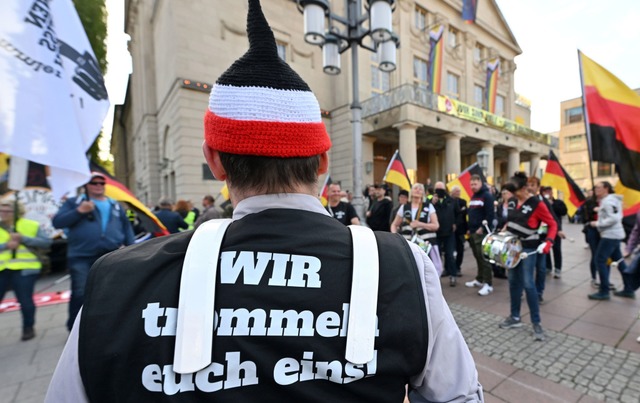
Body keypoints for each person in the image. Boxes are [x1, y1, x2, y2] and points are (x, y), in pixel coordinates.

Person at [45, 2, 483, 401]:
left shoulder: (115, 281)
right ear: (323, 161)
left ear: (214, 161)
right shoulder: (403, 267)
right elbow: (460, 396)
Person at [52, 171, 135, 331]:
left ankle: (106, 324)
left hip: (110, 255)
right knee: (80, 292)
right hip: (81, 256)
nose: (98, 186)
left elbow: (126, 228)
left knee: (110, 291)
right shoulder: (74, 203)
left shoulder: (114, 204)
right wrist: (79, 211)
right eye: (94, 183)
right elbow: (58, 222)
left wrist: (131, 248)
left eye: (101, 183)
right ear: (86, 185)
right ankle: (75, 328)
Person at [498, 173, 557, 342]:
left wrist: (548, 242)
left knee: (528, 284)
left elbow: (552, 224)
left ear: (524, 188)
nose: (512, 195)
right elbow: (510, 221)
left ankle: (536, 323)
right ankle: (515, 317)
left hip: (528, 249)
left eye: (515, 191)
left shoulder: (538, 204)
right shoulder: (512, 201)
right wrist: (505, 228)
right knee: (513, 282)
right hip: (513, 248)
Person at [0, 200, 52, 341]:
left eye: (7, 210)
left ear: (17, 211)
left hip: (26, 268)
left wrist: (24, 238)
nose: (3, 213)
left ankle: (28, 328)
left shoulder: (31, 225)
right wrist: (6, 245)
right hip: (2, 268)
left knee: (25, 300)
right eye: (1, 210)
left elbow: (46, 242)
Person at [588, 182, 633, 300]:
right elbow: (614, 214)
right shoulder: (611, 200)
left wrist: (596, 223)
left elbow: (613, 218)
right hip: (614, 235)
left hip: (610, 235)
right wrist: (600, 210)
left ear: (606, 189)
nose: (596, 189)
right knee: (619, 261)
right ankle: (629, 288)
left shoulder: (608, 201)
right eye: (595, 187)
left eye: (598, 187)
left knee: (600, 260)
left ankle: (604, 291)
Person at [391, 183, 442, 275]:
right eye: (415, 188)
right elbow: (394, 224)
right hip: (408, 243)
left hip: (426, 244)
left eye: (420, 188)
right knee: (409, 269)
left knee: (428, 270)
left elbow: (436, 225)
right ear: (411, 191)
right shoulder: (404, 207)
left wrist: (420, 224)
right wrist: (395, 236)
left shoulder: (428, 206)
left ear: (423, 193)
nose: (418, 190)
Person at [527, 176, 557, 304]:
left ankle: (539, 292)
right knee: (526, 268)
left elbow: (552, 219)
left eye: (532, 185)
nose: (529, 187)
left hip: (541, 239)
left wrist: (554, 234)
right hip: (528, 240)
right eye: (528, 185)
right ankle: (528, 290)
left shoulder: (543, 202)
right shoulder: (523, 201)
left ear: (538, 187)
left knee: (541, 268)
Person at [464, 174, 495, 296]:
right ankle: (480, 278)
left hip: (481, 233)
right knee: (477, 257)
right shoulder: (474, 196)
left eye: (475, 184)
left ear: (480, 183)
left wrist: (482, 228)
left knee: (484, 258)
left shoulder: (486, 196)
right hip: (472, 232)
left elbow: (490, 214)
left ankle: (488, 283)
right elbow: (472, 214)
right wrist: (469, 229)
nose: (473, 186)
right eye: (471, 184)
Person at [432, 181, 459, 286]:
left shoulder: (451, 201)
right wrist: (431, 203)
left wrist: (455, 223)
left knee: (450, 254)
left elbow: (458, 214)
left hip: (449, 233)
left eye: (441, 189)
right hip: (436, 233)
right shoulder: (430, 201)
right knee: (436, 256)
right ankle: (437, 277)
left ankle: (453, 275)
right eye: (437, 189)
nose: (440, 192)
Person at [540, 186, 567, 279]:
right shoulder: (541, 202)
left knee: (556, 249)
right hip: (543, 229)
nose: (547, 193)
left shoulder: (558, 202)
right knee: (545, 248)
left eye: (549, 191)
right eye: (545, 191)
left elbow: (563, 212)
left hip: (555, 229)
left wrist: (552, 205)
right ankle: (548, 266)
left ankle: (558, 269)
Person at [493, 185, 515, 279]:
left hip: (510, 230)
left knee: (510, 250)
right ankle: (500, 270)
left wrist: (507, 224)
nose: (504, 195)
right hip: (501, 229)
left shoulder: (514, 204)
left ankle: (509, 268)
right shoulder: (500, 205)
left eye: (506, 193)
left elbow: (513, 217)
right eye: (503, 193)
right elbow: (497, 216)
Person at [582, 188, 601, 288]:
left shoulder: (606, 201)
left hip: (604, 231)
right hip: (593, 230)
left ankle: (604, 278)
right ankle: (594, 277)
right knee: (595, 254)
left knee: (605, 256)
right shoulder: (590, 202)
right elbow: (590, 212)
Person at [450, 185, 467, 278]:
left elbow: (463, 214)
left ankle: (458, 267)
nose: (458, 193)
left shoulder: (463, 202)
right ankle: (449, 268)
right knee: (449, 251)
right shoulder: (448, 201)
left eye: (459, 191)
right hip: (450, 230)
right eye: (456, 191)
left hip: (460, 230)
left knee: (460, 249)